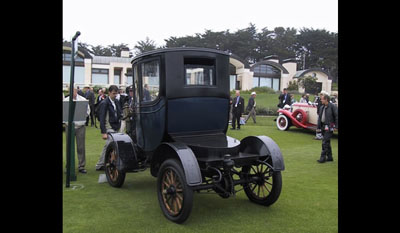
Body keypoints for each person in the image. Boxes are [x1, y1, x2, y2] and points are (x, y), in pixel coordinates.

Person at [95, 85, 122, 171]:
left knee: (112, 145)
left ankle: (108, 162)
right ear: (109, 93)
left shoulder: (117, 101)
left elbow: (119, 113)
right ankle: (100, 164)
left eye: (116, 93)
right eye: (113, 93)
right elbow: (102, 118)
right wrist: (104, 132)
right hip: (109, 126)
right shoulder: (104, 103)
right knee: (109, 145)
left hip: (116, 126)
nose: (115, 95)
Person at [63, 87, 90, 173]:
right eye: (70, 90)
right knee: (69, 147)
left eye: (74, 90)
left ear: (76, 91)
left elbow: (87, 111)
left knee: (81, 147)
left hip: (80, 126)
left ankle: (81, 166)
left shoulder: (83, 100)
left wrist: (81, 116)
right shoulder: (65, 100)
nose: (72, 92)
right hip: (69, 126)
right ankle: (68, 165)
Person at [316, 94, 338, 163]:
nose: (321, 100)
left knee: (325, 142)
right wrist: (318, 127)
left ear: (326, 100)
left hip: (330, 126)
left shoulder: (333, 107)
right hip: (323, 127)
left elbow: (337, 116)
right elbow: (319, 118)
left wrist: (336, 127)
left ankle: (323, 157)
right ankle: (330, 157)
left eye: (322, 99)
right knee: (327, 142)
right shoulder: (322, 107)